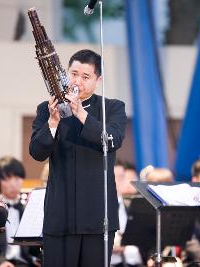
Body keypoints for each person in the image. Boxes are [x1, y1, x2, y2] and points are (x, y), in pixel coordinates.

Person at [29, 49, 127, 267]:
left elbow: (112, 141)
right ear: (65, 74)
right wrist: (52, 122)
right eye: (73, 74)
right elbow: (36, 152)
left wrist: (81, 113)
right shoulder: (46, 109)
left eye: (85, 77)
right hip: (60, 215)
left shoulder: (112, 108)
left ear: (98, 80)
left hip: (98, 216)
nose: (77, 81)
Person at [0, 156, 41, 267]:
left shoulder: (28, 211)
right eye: (7, 179)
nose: (13, 183)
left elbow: (35, 248)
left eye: (17, 178)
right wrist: (0, 262)